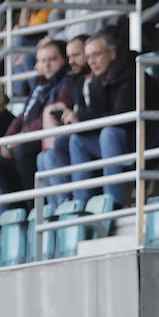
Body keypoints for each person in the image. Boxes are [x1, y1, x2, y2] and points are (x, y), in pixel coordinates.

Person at [38, 33, 134, 206]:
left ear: (112, 53)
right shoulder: (95, 80)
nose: (91, 61)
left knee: (108, 133)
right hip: (115, 142)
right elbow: (96, 116)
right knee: (75, 140)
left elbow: (121, 117)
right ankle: (79, 203)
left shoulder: (130, 73)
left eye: (95, 55)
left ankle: (112, 201)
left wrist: (80, 120)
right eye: (88, 57)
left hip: (142, 140)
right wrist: (77, 121)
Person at [0, 38, 73, 202]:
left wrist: (21, 137)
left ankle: (33, 206)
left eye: (52, 60)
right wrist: (8, 138)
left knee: (22, 151)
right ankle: (15, 212)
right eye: (42, 61)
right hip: (29, 136)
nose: (47, 65)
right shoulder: (40, 86)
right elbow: (22, 116)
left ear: (64, 60)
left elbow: (47, 117)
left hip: (47, 138)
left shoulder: (65, 83)